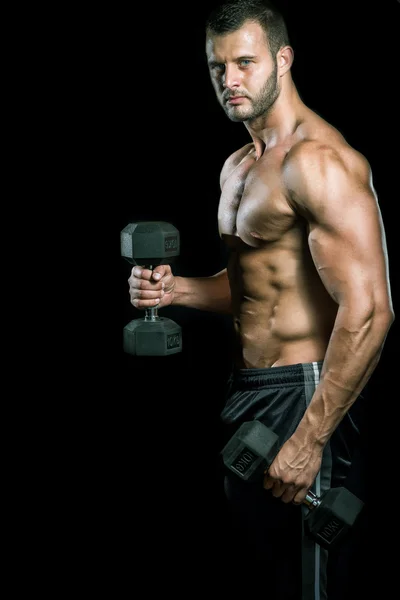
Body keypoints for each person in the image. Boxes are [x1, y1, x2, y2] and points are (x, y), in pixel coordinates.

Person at [127, 1, 394, 597]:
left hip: (307, 395)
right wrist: (176, 291)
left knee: (313, 583)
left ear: (283, 59)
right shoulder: (239, 166)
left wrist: (310, 440)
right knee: (262, 575)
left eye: (245, 63)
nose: (231, 81)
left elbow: (371, 308)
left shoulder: (319, 161)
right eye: (218, 68)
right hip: (248, 392)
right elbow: (252, 290)